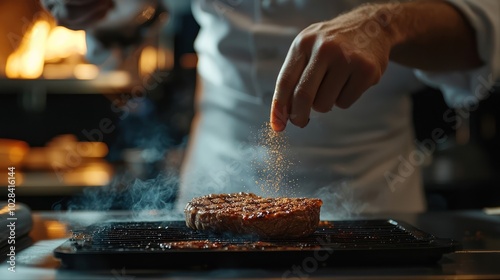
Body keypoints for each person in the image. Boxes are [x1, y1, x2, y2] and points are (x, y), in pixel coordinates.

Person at [42, 0, 500, 217]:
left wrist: (383, 24)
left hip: (367, 190)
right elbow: (141, 12)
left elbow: (485, 28)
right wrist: (99, 11)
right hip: (213, 171)